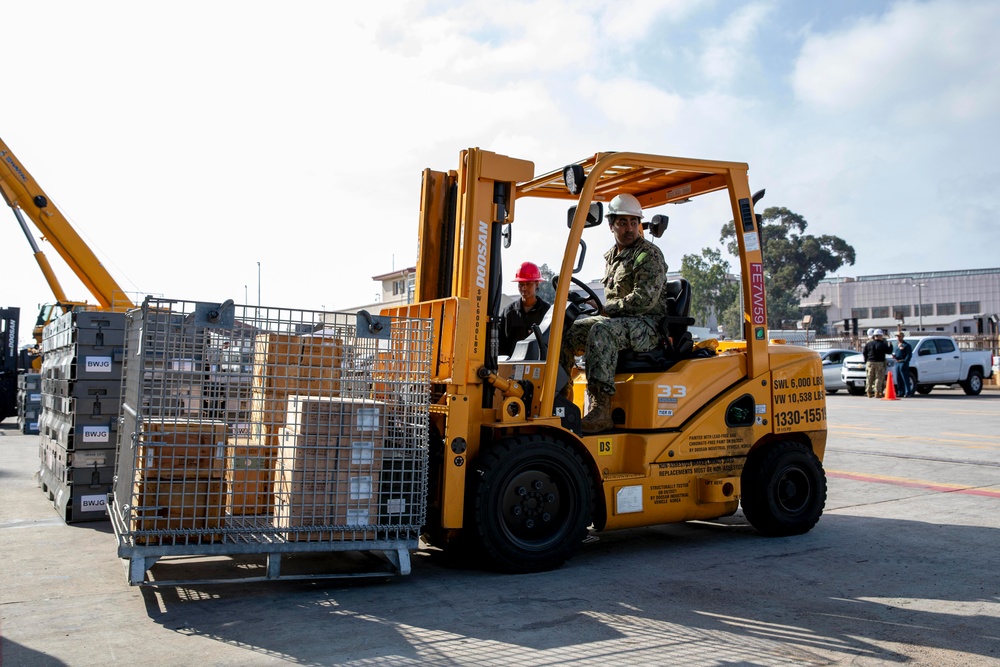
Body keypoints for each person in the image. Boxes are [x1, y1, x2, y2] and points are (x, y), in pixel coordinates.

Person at [560, 193, 668, 433]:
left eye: (633, 222)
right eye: (622, 222)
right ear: (611, 225)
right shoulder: (613, 256)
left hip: (647, 326)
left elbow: (644, 301)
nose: (629, 228)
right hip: (620, 321)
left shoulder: (648, 254)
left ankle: (601, 410)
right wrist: (597, 306)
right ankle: (560, 400)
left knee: (601, 331)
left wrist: (605, 309)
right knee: (567, 331)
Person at [498, 261, 551, 356]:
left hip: (538, 365)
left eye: (528, 284)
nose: (524, 288)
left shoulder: (547, 312)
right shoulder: (508, 312)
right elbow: (499, 342)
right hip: (510, 365)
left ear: (537, 284)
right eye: (521, 284)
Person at [863, 329, 893, 398]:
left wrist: (866, 361)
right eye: (881, 336)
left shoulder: (869, 344)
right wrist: (890, 346)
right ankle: (877, 392)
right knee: (878, 378)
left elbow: (864, 352)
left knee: (869, 377)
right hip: (880, 362)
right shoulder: (882, 344)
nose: (882, 337)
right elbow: (889, 351)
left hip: (870, 362)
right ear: (879, 336)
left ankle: (868, 392)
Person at [893, 332, 914, 397]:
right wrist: (894, 357)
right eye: (897, 336)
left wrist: (905, 361)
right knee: (898, 378)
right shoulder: (896, 345)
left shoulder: (906, 345)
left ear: (902, 337)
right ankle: (900, 392)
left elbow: (909, 355)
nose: (898, 338)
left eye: (899, 336)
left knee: (905, 378)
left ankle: (908, 392)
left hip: (903, 362)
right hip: (897, 362)